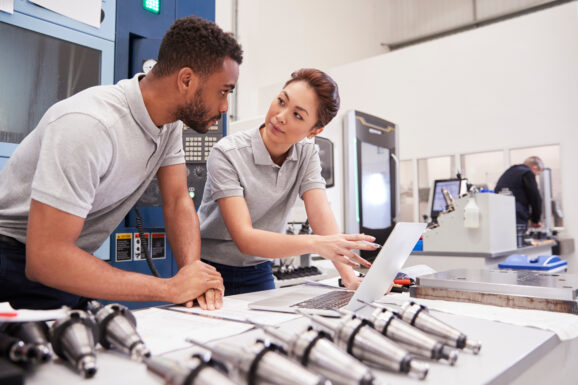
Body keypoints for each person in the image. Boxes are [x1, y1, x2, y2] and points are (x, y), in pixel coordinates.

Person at [0, 16, 243, 310]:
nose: (224, 107)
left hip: (64, 259)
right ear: (186, 80)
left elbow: (178, 199)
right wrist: (169, 287)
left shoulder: (168, 125)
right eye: (223, 91)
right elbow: (46, 260)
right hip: (12, 259)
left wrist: (192, 277)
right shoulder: (90, 126)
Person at [197, 68, 377, 296]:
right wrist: (315, 243)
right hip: (210, 269)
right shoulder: (227, 153)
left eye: (298, 115)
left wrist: (349, 276)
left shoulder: (306, 153)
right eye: (281, 101)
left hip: (259, 269)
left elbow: (320, 212)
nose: (281, 116)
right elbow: (245, 238)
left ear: (314, 131)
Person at [494, 156, 544, 231]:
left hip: (499, 213)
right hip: (517, 215)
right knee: (518, 240)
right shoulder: (527, 173)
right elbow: (535, 198)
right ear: (534, 167)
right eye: (536, 174)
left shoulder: (510, 171)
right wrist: (535, 220)